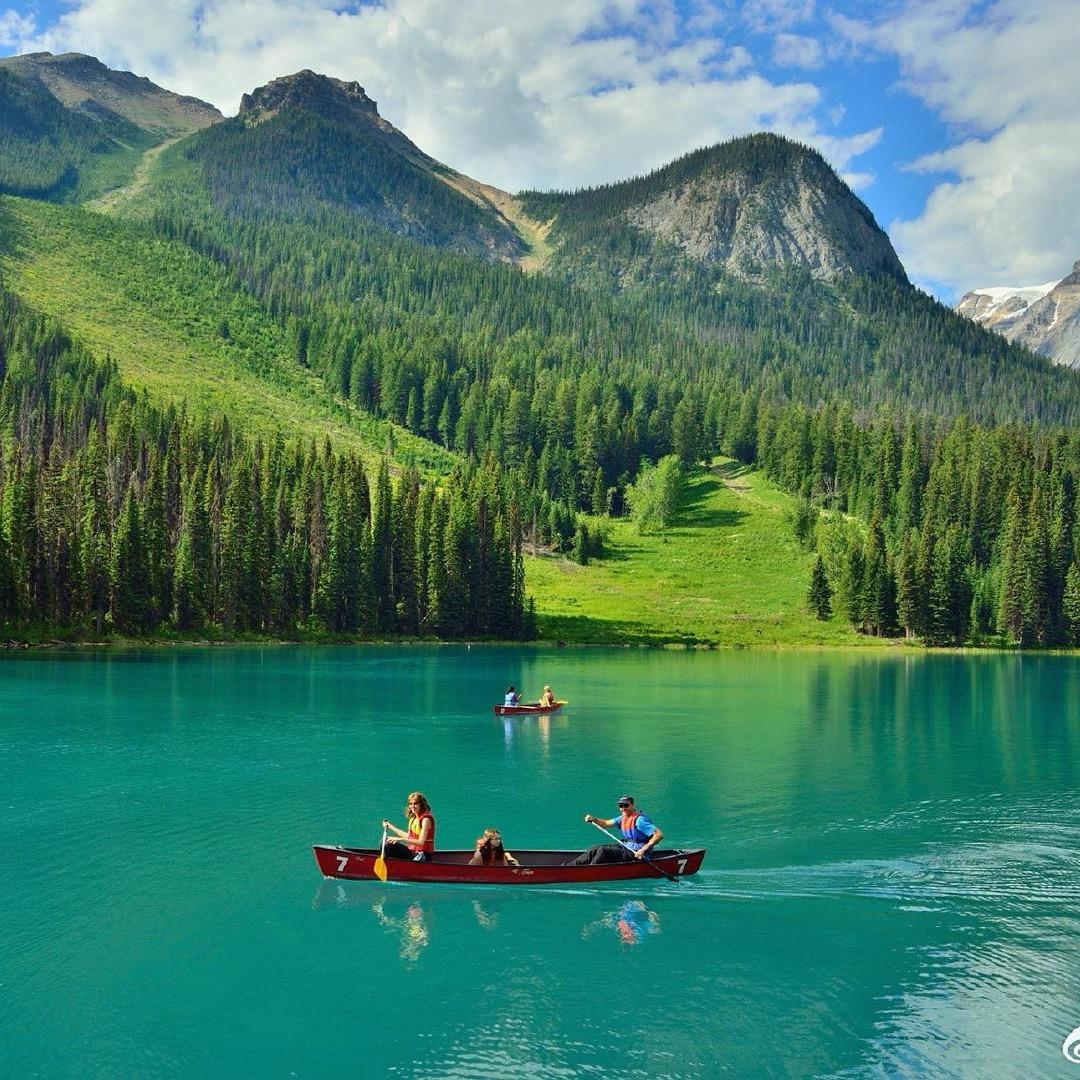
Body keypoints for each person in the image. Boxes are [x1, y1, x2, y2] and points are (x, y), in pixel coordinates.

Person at [567, 795, 664, 865]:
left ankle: (588, 871)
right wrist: (594, 819)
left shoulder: (640, 820)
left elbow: (659, 835)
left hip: (636, 852)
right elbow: (606, 823)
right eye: (620, 806)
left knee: (603, 851)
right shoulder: (622, 818)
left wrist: (643, 850)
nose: (623, 808)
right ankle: (569, 867)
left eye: (626, 805)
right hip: (626, 847)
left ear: (633, 805)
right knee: (594, 848)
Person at [381, 791, 436, 862]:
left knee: (387, 845)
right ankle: (391, 865)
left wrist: (399, 839)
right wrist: (390, 826)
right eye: (410, 804)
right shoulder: (414, 818)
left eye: (415, 803)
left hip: (422, 855)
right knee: (384, 842)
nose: (412, 806)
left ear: (421, 804)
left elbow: (421, 842)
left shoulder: (426, 820)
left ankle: (392, 866)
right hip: (413, 852)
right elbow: (409, 836)